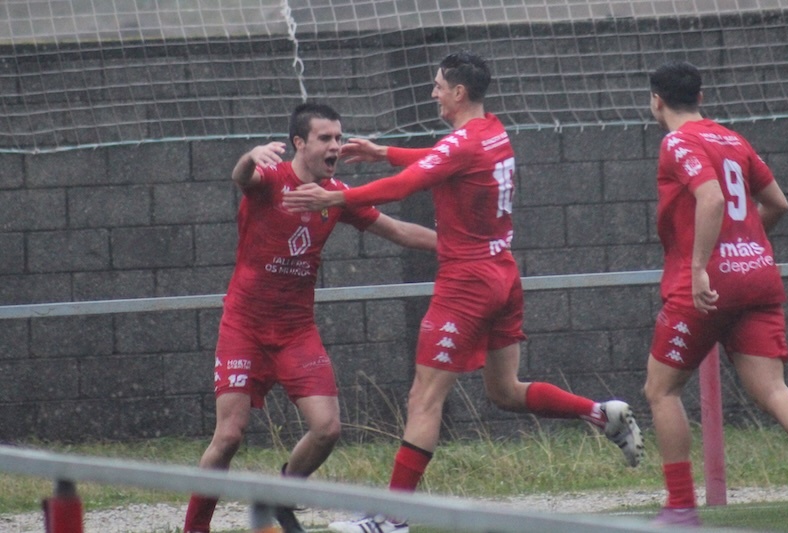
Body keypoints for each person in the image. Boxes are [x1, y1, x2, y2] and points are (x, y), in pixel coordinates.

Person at [281, 50, 644, 533]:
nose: (433, 93)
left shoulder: (464, 143)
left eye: (438, 85)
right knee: (505, 391)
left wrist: (337, 196)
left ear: (458, 92)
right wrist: (384, 153)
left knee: (423, 399)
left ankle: (392, 520)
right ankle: (600, 414)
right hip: (503, 274)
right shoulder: (492, 132)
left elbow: (409, 184)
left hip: (467, 282)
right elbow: (442, 161)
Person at [183, 103, 437, 533]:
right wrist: (250, 156)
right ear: (299, 143)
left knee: (327, 429)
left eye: (339, 137)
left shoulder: (334, 195)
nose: (335, 146)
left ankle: (280, 496)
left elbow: (397, 230)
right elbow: (242, 177)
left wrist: (461, 246)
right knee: (228, 436)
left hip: (296, 331)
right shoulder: (272, 180)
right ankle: (195, 528)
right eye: (325, 138)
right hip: (244, 326)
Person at [642, 61, 788, 531]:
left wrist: (701, 267)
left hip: (705, 286)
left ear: (656, 100)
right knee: (775, 390)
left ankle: (680, 508)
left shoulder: (676, 142)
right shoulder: (733, 140)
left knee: (662, 390)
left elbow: (712, 198)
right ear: (701, 98)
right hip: (757, 276)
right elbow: (778, 202)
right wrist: (747, 246)